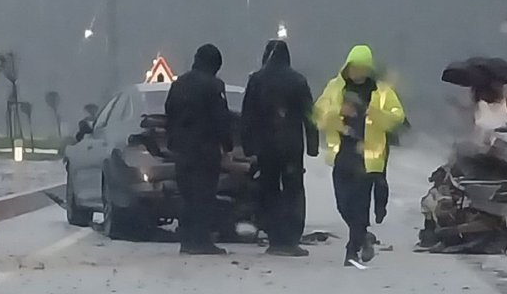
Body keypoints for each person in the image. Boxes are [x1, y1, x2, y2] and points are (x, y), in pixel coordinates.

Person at [314, 45, 405, 267]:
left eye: (363, 68)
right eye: (355, 68)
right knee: (343, 204)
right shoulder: (335, 88)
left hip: (369, 158)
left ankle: (352, 250)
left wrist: (374, 114)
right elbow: (318, 114)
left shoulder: (381, 91)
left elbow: (398, 117)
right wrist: (337, 114)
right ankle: (363, 236)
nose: (359, 72)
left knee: (360, 205)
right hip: (343, 154)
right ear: (348, 66)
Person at [242, 39, 320, 257]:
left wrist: (248, 145)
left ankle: (274, 237)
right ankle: (291, 238)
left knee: (269, 189)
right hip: (291, 146)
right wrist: (313, 144)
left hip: (266, 146)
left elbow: (247, 115)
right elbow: (310, 116)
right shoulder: (298, 80)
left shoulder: (256, 80)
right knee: (293, 191)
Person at [165, 44, 235, 255]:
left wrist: (174, 140)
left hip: (183, 149)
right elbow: (221, 118)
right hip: (205, 149)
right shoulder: (214, 86)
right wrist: (227, 144)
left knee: (187, 194)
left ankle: (187, 240)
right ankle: (201, 240)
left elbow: (169, 111)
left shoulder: (179, 84)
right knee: (204, 195)